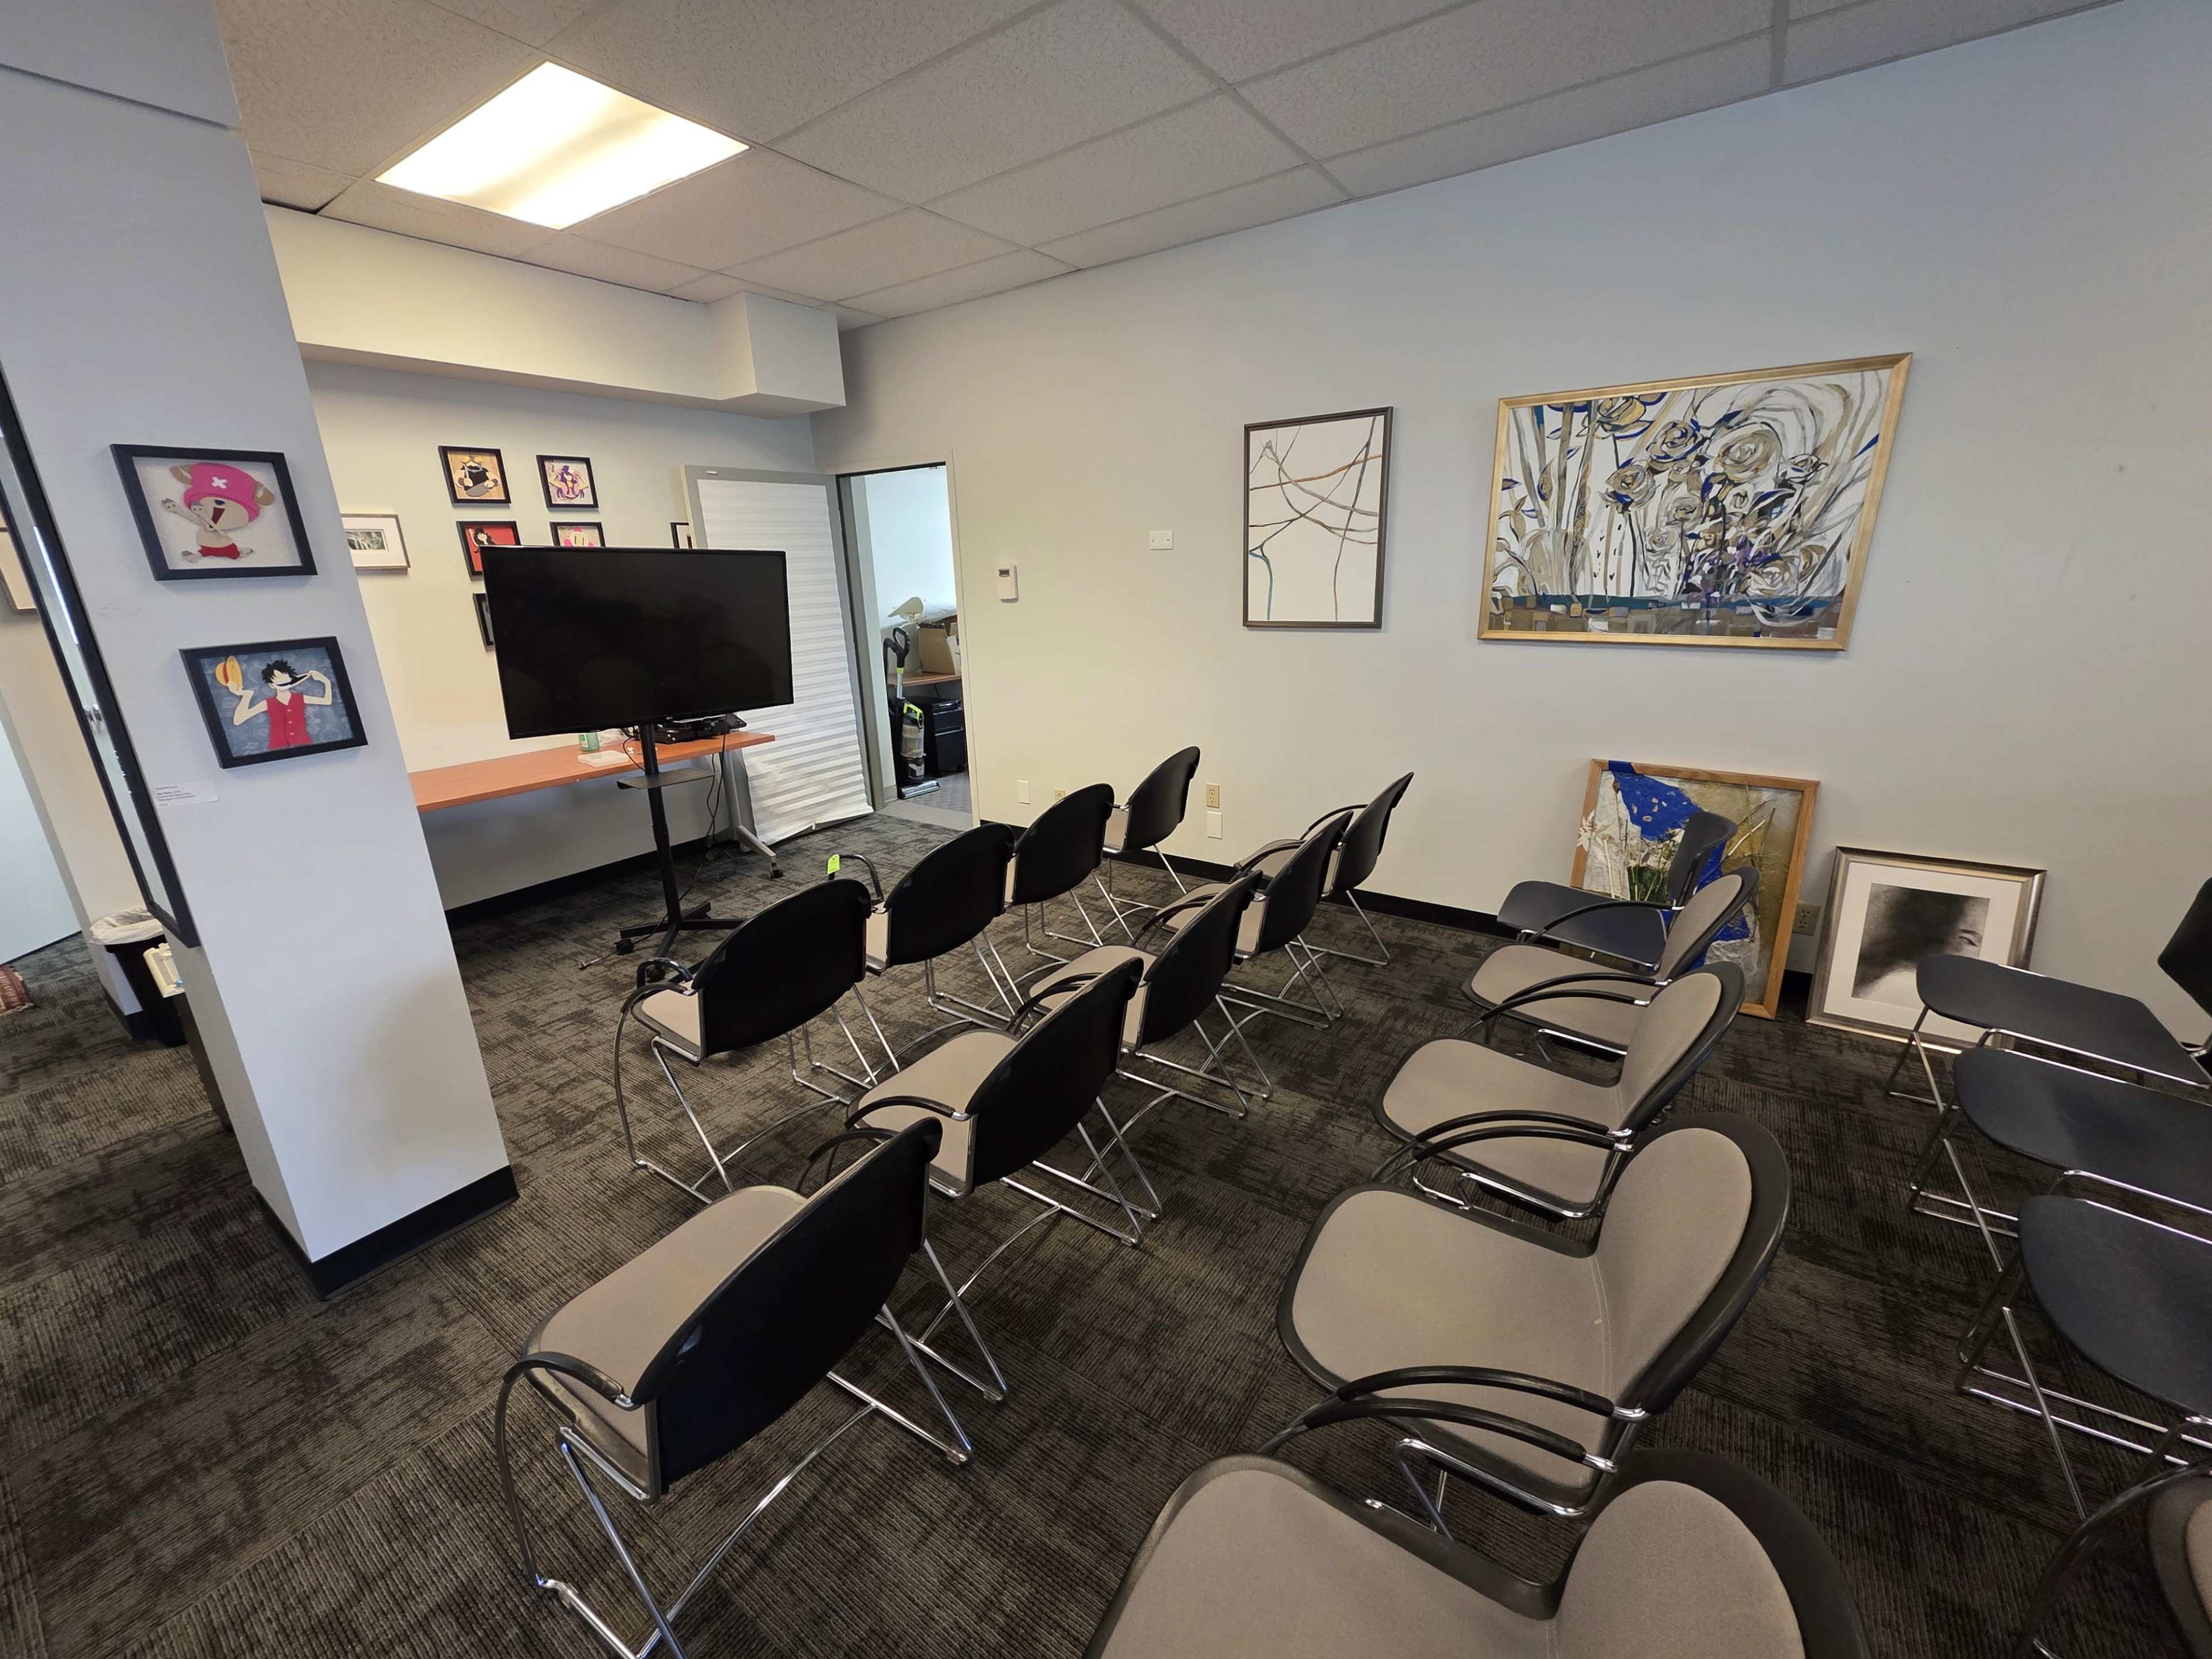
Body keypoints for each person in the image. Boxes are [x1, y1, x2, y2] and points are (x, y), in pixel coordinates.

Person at [158, 462, 275, 562]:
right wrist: (178, 510)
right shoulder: (205, 519)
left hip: (224, 543)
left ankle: (242, 552)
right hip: (206, 540)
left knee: (232, 553)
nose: (219, 503)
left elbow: (210, 526)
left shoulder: (213, 523)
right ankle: (198, 556)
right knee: (205, 550)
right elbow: (198, 521)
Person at [231, 657, 332, 751]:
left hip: (303, 745)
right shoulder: (268, 703)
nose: (283, 682)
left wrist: (327, 682)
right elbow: (239, 720)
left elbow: (326, 701)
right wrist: (246, 696)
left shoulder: (300, 698)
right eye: (278, 680)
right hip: (278, 748)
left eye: (285, 679)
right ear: (272, 685)